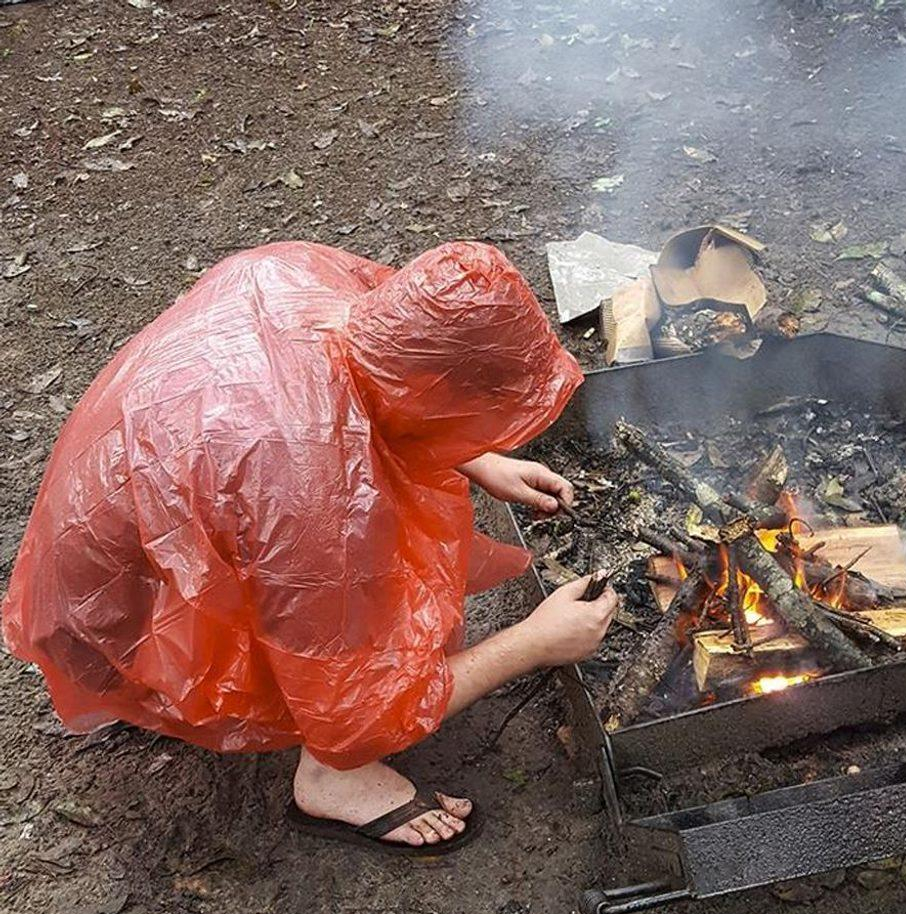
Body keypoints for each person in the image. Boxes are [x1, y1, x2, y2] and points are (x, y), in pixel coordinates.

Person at [2, 240, 618, 856]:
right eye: (480, 416)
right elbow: (364, 708)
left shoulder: (306, 276)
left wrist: (477, 458)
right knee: (358, 658)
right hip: (115, 621)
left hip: (108, 516)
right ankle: (331, 781)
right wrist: (535, 642)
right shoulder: (312, 495)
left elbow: (392, 377)